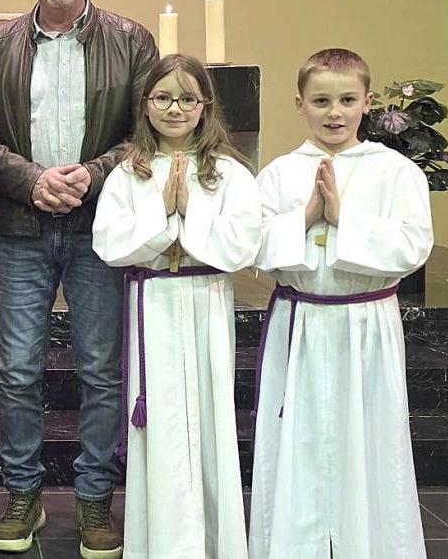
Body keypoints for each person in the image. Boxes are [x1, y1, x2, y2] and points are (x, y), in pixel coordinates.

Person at [0, 0, 157, 559]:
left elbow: (148, 132)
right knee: (19, 370)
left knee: (100, 371)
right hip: (21, 228)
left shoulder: (131, 41)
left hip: (98, 228)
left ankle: (94, 500)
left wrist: (93, 173)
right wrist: (29, 179)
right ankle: (22, 495)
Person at [249, 48, 432, 558]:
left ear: (367, 103)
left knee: (369, 443)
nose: (335, 112)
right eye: (322, 100)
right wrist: (307, 216)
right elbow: (253, 246)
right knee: (298, 446)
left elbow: (413, 245)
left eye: (348, 100)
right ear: (299, 104)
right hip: (300, 321)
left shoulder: (395, 171)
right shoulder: (281, 174)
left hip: (365, 324)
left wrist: (344, 218)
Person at [92, 54, 259, 558]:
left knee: (209, 420)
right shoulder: (128, 172)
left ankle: (215, 543)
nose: (174, 108)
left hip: (206, 302)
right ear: (145, 106)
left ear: (206, 106)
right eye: (163, 97)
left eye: (188, 98)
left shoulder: (229, 172)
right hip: (155, 303)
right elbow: (108, 241)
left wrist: (191, 211)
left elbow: (243, 244)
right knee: (160, 425)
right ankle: (159, 544)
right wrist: (164, 214)